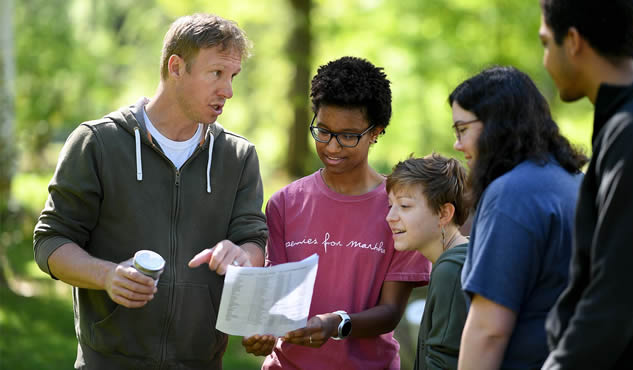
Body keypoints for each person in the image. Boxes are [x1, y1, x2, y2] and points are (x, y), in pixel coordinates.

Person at [33, 14, 268, 369]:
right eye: (216, 73)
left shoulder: (238, 157)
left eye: (232, 76)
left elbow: (254, 241)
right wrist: (108, 276)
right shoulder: (98, 142)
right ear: (176, 67)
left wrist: (242, 255)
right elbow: (50, 242)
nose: (228, 90)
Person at [242, 56, 431, 369]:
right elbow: (275, 301)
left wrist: (337, 323)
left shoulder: (401, 209)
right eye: (324, 131)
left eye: (348, 136)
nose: (331, 147)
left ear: (376, 132)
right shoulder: (285, 203)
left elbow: (390, 313)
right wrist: (262, 330)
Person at [448, 66, 588, 370]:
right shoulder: (576, 182)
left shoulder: (511, 194)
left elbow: (488, 330)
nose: (457, 144)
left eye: (462, 130)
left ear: (497, 125)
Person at [538, 1, 633, 368]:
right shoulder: (627, 124)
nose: (544, 61)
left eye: (545, 44)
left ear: (572, 40)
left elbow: (616, 292)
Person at [385, 153, 470, 370]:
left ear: (443, 213)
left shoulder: (451, 270)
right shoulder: (465, 257)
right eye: (390, 205)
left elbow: (445, 362)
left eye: (404, 206)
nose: (390, 216)